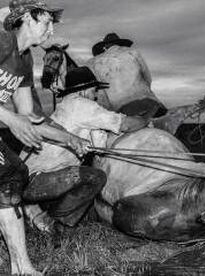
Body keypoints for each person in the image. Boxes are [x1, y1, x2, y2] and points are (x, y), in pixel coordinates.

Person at [0, 1, 91, 275]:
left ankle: (22, 267)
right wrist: (11, 119)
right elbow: (17, 119)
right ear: (28, 17)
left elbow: (29, 114)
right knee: (8, 173)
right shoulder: (2, 41)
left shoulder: (25, 59)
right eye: (47, 22)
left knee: (13, 173)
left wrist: (68, 138)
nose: (51, 31)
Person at [22, 66, 149, 234]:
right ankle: (53, 223)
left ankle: (36, 213)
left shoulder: (67, 107)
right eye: (94, 90)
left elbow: (100, 146)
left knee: (84, 189)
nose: (96, 95)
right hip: (34, 180)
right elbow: (125, 124)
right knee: (94, 178)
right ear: (83, 91)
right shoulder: (81, 105)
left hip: (25, 177)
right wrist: (146, 119)